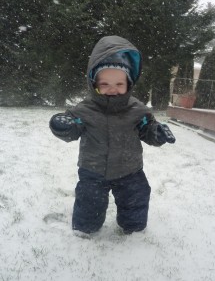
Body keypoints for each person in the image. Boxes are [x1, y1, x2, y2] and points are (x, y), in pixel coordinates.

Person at [49, 35, 175, 236]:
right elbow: (72, 127)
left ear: (128, 83)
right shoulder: (85, 109)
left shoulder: (137, 109)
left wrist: (156, 133)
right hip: (93, 170)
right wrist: (62, 126)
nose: (112, 90)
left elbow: (146, 128)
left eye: (119, 84)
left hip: (130, 169)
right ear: (94, 84)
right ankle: (86, 227)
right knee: (90, 200)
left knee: (136, 197)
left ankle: (133, 227)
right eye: (105, 84)